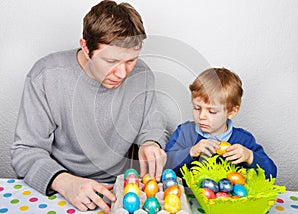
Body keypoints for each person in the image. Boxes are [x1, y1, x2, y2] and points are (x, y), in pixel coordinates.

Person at [10, 1, 168, 213]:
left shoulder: (143, 75)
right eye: (111, 61)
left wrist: (151, 144)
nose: (122, 73)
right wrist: (66, 183)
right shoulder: (45, 76)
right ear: (86, 48)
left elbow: (153, 128)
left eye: (131, 60)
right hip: (62, 190)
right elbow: (25, 151)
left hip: (121, 192)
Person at [165, 67, 277, 180]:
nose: (202, 116)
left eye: (212, 111)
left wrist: (249, 157)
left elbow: (271, 174)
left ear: (232, 112)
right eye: (197, 108)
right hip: (189, 197)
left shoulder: (244, 140)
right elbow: (165, 165)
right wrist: (191, 152)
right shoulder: (184, 133)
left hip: (230, 197)